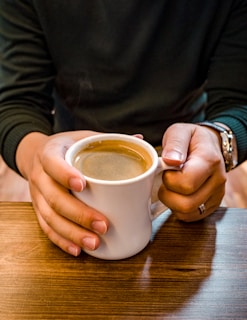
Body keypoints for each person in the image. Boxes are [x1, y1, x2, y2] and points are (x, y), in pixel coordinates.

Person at [0, 1, 247, 257]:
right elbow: (17, 102)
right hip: (67, 163)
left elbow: (237, 100)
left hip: (186, 163)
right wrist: (36, 159)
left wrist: (218, 139)